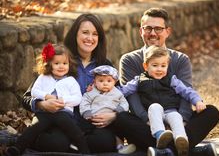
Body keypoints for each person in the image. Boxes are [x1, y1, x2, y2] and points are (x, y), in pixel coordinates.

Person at [115, 8, 219, 156]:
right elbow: (132, 98)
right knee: (121, 118)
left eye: (158, 28)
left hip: (177, 119)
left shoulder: (181, 59)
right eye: (148, 28)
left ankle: (164, 150)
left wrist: (181, 121)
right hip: (146, 123)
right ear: (141, 31)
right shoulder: (129, 60)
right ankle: (187, 151)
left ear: (167, 31)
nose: (153, 33)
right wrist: (148, 121)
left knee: (211, 112)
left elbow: (185, 93)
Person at [21, 13, 118, 154]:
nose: (90, 38)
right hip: (61, 121)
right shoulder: (61, 60)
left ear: (99, 38)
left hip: (91, 124)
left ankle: (75, 145)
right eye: (85, 32)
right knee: (54, 143)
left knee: (105, 143)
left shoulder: (105, 65)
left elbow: (119, 94)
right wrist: (42, 104)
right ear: (75, 34)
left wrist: (113, 115)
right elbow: (27, 97)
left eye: (95, 34)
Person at [5, 43, 90, 155]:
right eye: (57, 63)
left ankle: (85, 150)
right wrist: (46, 96)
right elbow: (34, 91)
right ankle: (18, 147)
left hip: (63, 113)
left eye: (65, 63)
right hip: (44, 112)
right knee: (34, 128)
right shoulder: (43, 77)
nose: (61, 66)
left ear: (70, 64)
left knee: (72, 128)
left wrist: (63, 100)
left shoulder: (71, 81)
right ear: (49, 64)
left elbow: (77, 98)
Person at [138, 45, 208, 156]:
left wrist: (198, 101)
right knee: (154, 106)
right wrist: (109, 92)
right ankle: (161, 136)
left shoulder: (172, 79)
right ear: (146, 66)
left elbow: (187, 91)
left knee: (176, 117)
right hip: (154, 115)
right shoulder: (139, 80)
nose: (159, 69)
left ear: (167, 66)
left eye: (163, 65)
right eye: (155, 65)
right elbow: (124, 90)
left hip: (171, 110)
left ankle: (181, 140)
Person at [80, 65, 136, 154]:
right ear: (94, 81)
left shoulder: (117, 93)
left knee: (118, 130)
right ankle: (79, 142)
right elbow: (84, 102)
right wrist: (87, 112)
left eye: (109, 81)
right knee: (87, 129)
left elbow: (124, 103)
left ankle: (121, 146)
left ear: (115, 82)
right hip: (94, 119)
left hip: (112, 118)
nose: (105, 83)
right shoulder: (91, 92)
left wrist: (118, 111)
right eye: (101, 81)